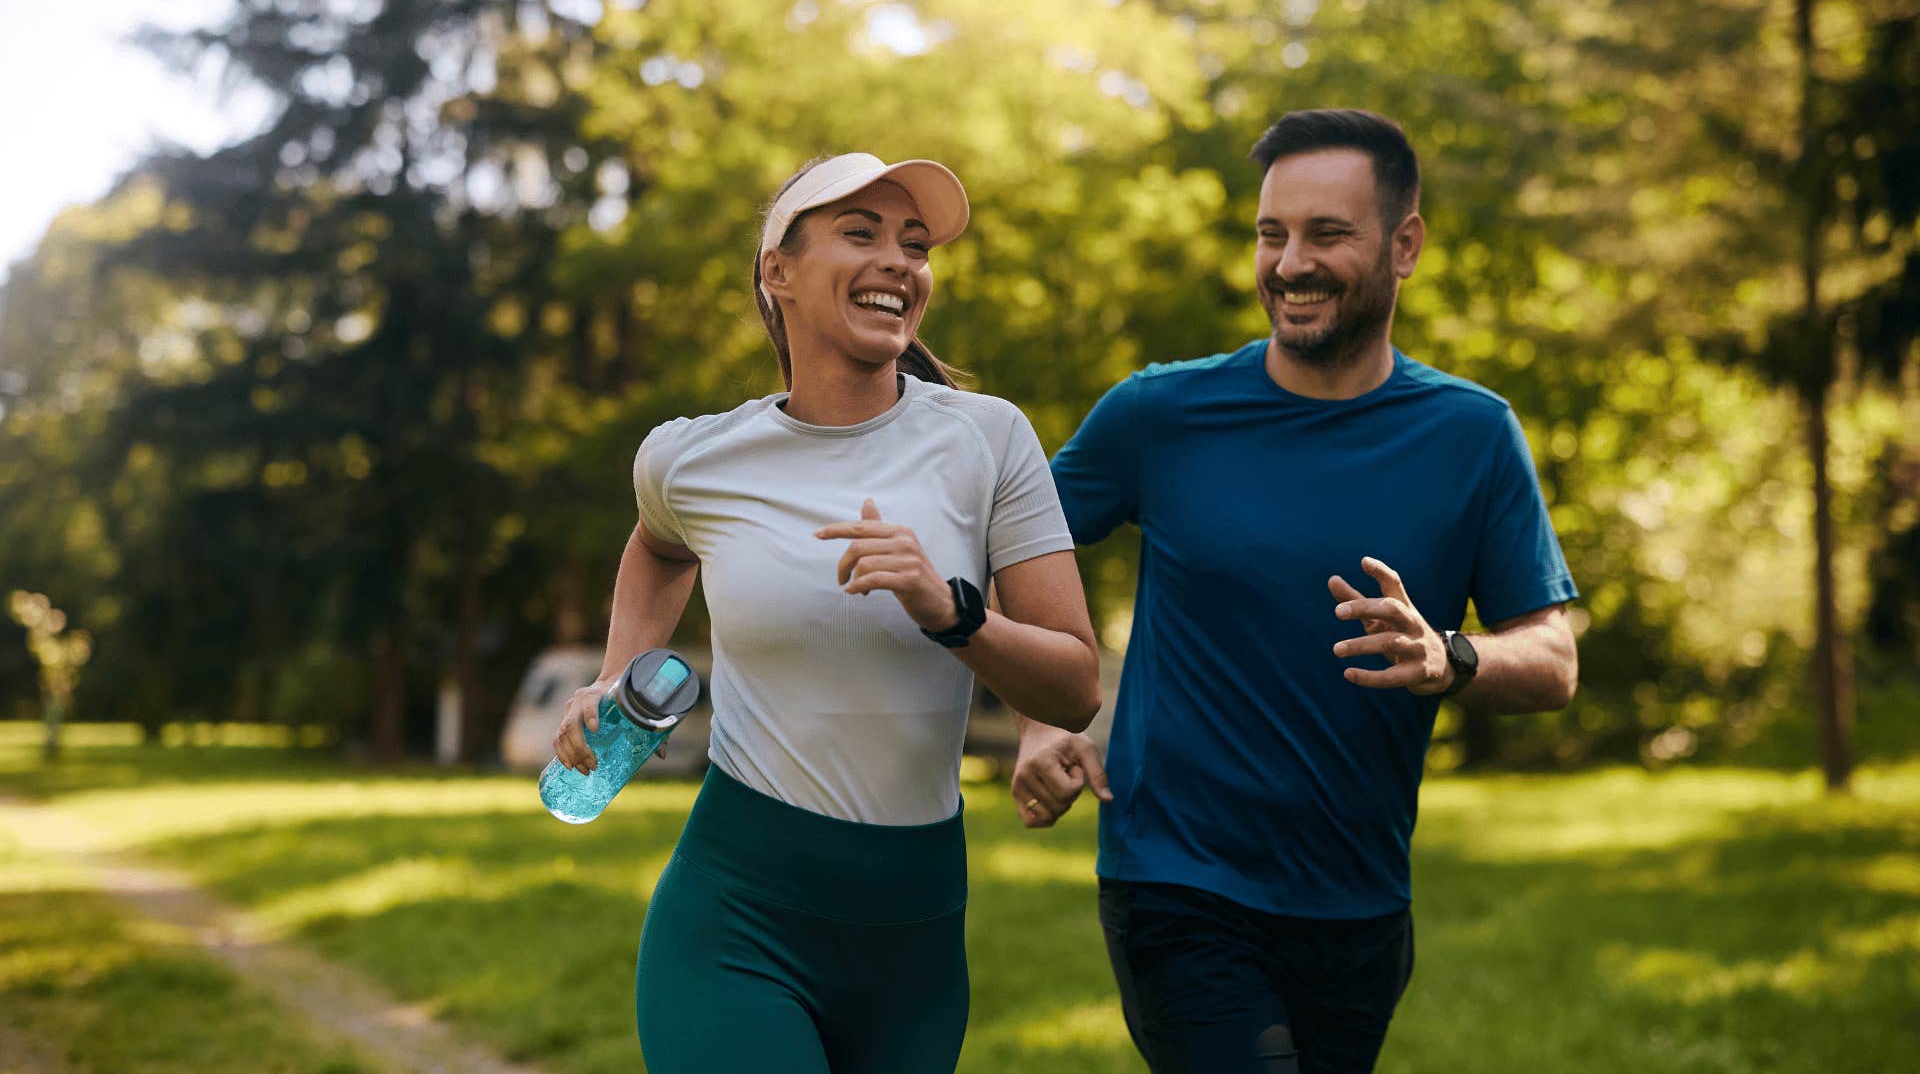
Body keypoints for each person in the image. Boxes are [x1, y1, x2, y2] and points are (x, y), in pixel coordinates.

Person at [1011, 109, 1581, 1073]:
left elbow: (1555, 657)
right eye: (1272, 234)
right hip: (1175, 882)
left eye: (1327, 234)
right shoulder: (1160, 414)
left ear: (1404, 246)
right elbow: (1016, 542)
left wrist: (1450, 657)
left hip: (1357, 903)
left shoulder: (1473, 435)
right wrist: (1045, 708)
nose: (1289, 263)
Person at [549, 153, 1102, 1073]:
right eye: (862, 233)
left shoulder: (990, 438)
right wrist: (616, 673)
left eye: (915, 245)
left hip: (915, 936)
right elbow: (657, 545)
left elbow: (1077, 684)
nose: (900, 261)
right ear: (778, 271)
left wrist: (951, 611)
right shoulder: (693, 460)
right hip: (737, 917)